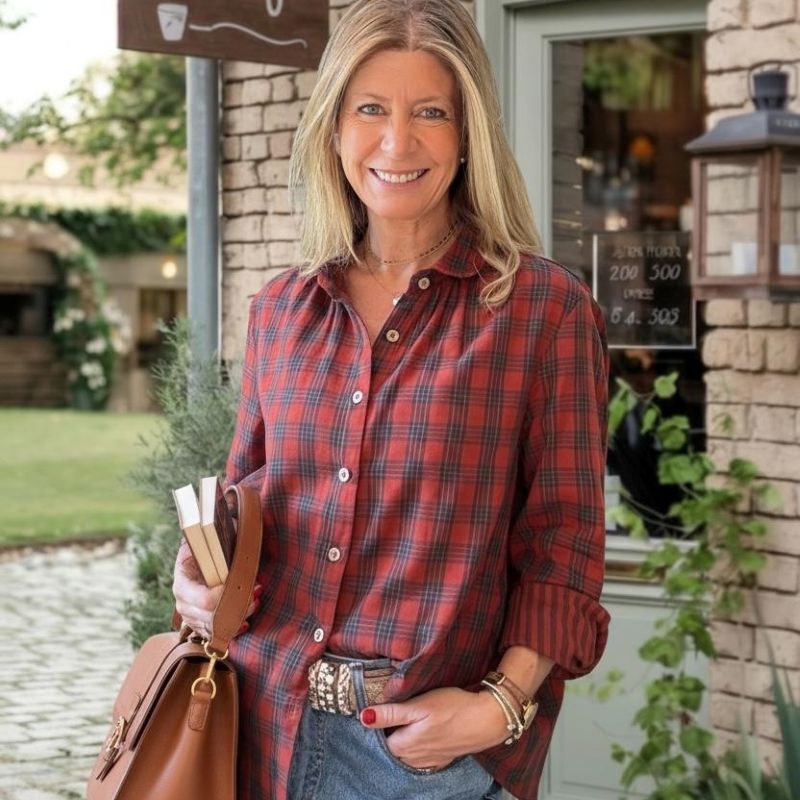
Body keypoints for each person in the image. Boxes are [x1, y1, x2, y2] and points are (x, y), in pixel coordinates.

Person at [173, 1, 610, 798]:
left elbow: (564, 545)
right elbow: (242, 503)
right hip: (259, 729)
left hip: (421, 760)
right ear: (335, 128)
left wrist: (502, 706)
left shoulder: (543, 312)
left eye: (430, 113)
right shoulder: (282, 310)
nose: (397, 142)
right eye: (370, 108)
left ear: (468, 131)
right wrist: (198, 582)